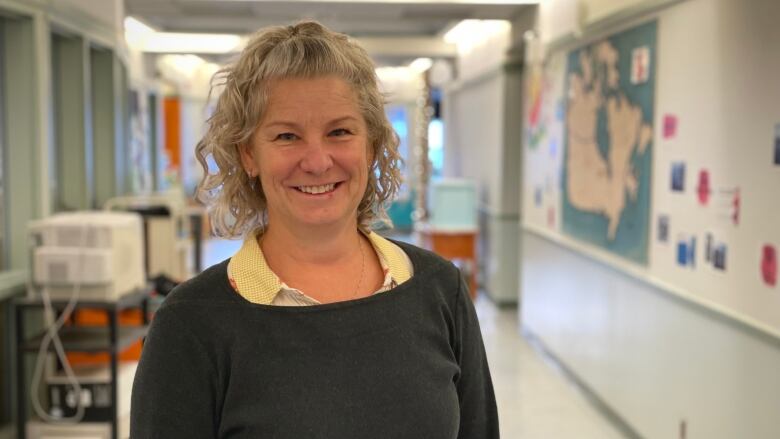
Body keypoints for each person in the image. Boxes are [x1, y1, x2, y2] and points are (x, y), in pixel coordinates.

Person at [130, 21, 498, 439]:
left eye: (339, 131)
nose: (318, 161)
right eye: (287, 135)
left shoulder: (439, 290)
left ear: (371, 145)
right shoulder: (191, 325)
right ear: (249, 154)